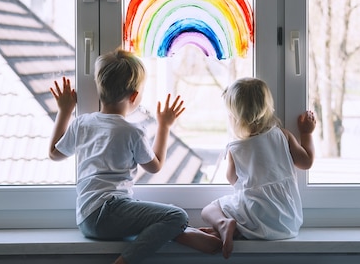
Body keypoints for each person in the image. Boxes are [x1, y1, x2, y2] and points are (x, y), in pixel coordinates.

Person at [48, 49, 222, 264]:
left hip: (86, 219)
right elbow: (155, 166)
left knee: (158, 221)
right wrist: (164, 126)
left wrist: (65, 110)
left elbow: (54, 153)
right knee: (176, 216)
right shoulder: (132, 131)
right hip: (109, 211)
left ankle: (194, 237)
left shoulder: (82, 123)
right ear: (134, 96)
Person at [201, 77, 316, 259]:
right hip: (288, 223)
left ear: (234, 116)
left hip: (256, 217)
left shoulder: (235, 148)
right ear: (267, 108)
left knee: (209, 210)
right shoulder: (282, 135)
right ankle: (235, 229)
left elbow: (232, 179)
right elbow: (306, 161)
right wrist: (306, 133)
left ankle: (224, 224)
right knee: (252, 211)